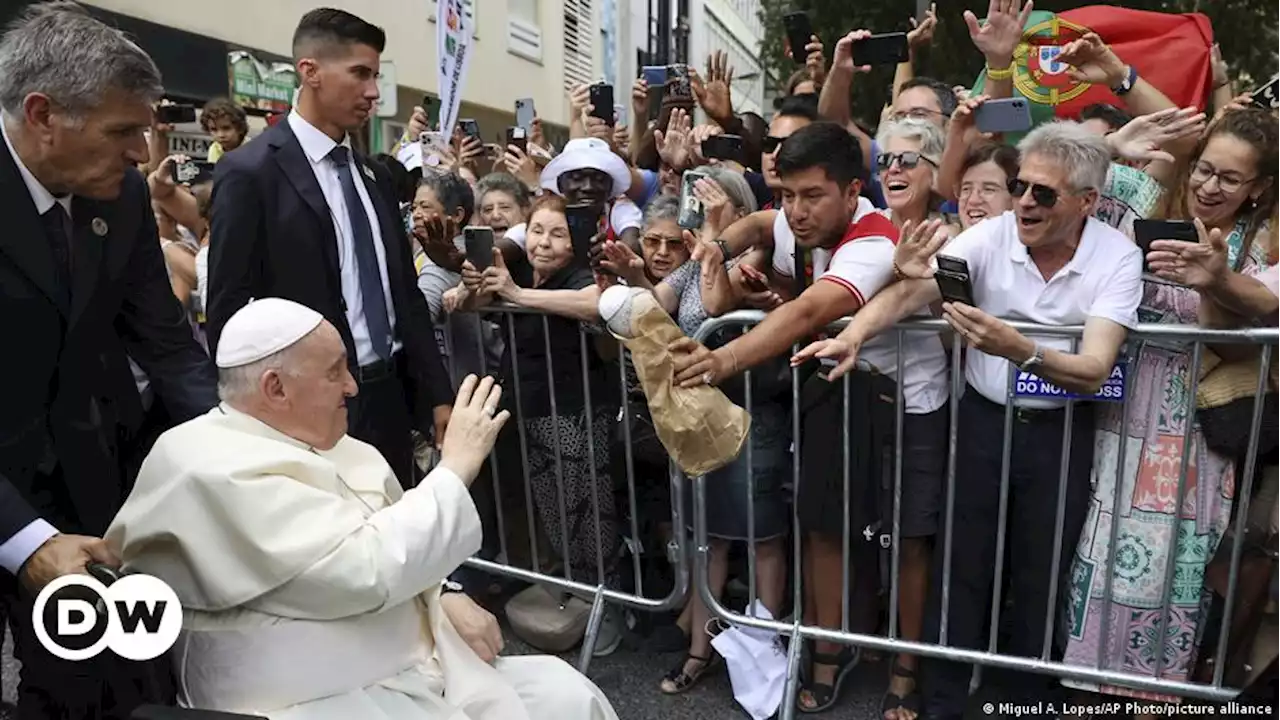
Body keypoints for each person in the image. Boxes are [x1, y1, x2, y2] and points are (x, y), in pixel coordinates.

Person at [107, 298, 619, 720]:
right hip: (304, 701)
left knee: (568, 697)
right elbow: (365, 568)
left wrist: (446, 592)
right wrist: (455, 467)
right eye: (335, 372)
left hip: (409, 669)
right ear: (275, 388)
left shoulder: (340, 443)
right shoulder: (203, 465)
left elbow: (396, 542)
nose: (352, 386)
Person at [793, 121, 1143, 719]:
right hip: (983, 420)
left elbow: (1093, 366)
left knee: (1040, 570)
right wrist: (854, 334)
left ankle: (1026, 700)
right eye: (1021, 187)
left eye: (1044, 194)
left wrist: (1022, 349)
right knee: (964, 564)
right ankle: (944, 701)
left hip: (1061, 428)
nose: (1026, 203)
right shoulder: (992, 236)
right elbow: (914, 292)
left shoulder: (1117, 256)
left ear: (1086, 202)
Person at [0, 3, 218, 717]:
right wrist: (23, 540)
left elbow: (165, 341)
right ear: (42, 114)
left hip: (89, 485)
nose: (140, 156)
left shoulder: (120, 197)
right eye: (123, 131)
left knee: (96, 682)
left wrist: (234, 451)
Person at [207, 8, 453, 489]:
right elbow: (228, 312)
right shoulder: (250, 173)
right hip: (304, 412)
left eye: (376, 75)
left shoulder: (375, 177)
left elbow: (403, 294)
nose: (373, 91)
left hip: (390, 399)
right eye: (360, 73)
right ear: (310, 71)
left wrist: (437, 395)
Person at [201, 96, 250, 162]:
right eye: (214, 129)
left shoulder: (252, 149)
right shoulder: (214, 149)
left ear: (240, 128)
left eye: (226, 128)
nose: (220, 135)